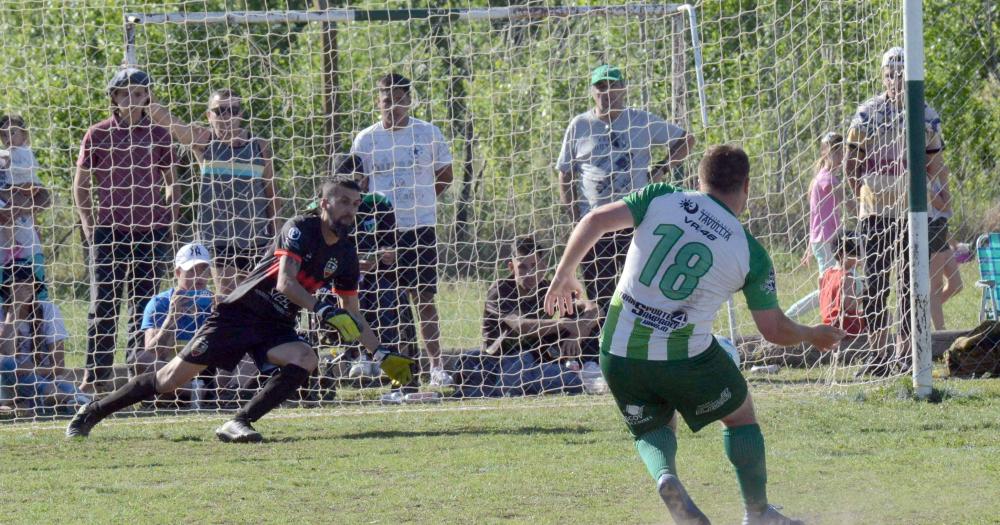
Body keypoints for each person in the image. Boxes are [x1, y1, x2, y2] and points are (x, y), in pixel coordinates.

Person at [544, 145, 845, 525]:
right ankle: (758, 513)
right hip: (683, 359)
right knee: (740, 415)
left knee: (652, 426)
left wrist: (564, 274)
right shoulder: (749, 251)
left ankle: (665, 476)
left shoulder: (661, 196)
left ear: (699, 180)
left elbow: (595, 219)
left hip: (617, 351)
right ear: (746, 186)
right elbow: (772, 330)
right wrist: (810, 333)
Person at [67, 178, 415, 443]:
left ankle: (239, 422)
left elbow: (351, 311)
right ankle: (93, 410)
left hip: (275, 325)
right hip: (240, 313)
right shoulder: (298, 229)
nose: (350, 210)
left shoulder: (348, 255)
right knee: (169, 380)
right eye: (342, 201)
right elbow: (285, 284)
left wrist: (380, 351)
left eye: (355, 204)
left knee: (306, 357)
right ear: (324, 203)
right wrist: (322, 307)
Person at [556, 64, 694, 316]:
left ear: (623, 89)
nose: (607, 92)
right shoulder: (580, 125)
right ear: (592, 92)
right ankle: (601, 349)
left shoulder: (640, 121)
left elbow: (686, 140)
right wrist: (573, 214)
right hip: (594, 224)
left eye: (613, 85)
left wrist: (661, 170)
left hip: (635, 220)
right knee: (601, 296)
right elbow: (565, 171)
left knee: (640, 291)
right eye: (600, 86)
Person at [73, 68, 179, 393]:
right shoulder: (98, 133)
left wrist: (168, 220)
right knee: (104, 304)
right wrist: (90, 226)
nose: (131, 99)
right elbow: (80, 185)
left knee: (143, 304)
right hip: (109, 231)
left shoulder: (160, 134)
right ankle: (96, 375)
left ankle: (138, 373)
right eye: (124, 93)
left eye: (138, 93)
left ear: (148, 97)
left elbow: (173, 181)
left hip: (150, 231)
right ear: (114, 98)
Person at [845, 47, 948, 375]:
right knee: (876, 282)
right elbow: (851, 163)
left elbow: (935, 163)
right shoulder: (867, 113)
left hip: (912, 213)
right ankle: (877, 353)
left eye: (902, 74)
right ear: (882, 76)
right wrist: (857, 197)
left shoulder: (926, 113)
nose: (896, 80)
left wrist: (942, 194)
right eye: (890, 74)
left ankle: (906, 354)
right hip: (875, 212)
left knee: (911, 282)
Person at [350, 73, 454, 386]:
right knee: (379, 298)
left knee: (423, 297)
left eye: (398, 100)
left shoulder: (428, 133)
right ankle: (371, 359)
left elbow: (445, 174)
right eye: (386, 101)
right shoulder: (366, 139)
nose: (392, 107)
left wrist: (419, 201)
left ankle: (436, 366)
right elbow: (360, 186)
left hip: (419, 227)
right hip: (381, 233)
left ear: (409, 100)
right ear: (377, 101)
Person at [148, 89, 280, 295]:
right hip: (218, 239)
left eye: (233, 110)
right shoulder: (204, 142)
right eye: (220, 111)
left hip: (257, 238)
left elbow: (271, 193)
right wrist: (145, 94)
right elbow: (169, 121)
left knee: (255, 301)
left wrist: (277, 235)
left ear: (241, 114)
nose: (227, 116)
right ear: (209, 116)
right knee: (228, 301)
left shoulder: (258, 146)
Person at [471, 234, 595, 397]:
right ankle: (579, 376)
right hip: (502, 362)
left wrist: (579, 333)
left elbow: (593, 307)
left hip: (535, 359)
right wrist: (564, 324)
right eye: (523, 267)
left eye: (535, 266)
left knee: (590, 332)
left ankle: (580, 373)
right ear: (511, 267)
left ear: (543, 266)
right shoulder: (500, 290)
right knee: (561, 378)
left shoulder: (548, 290)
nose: (530, 273)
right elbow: (521, 325)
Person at [0, 254, 86, 416]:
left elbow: (59, 366)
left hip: (45, 377)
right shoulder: (2, 313)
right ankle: (59, 397)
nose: (23, 288)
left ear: (35, 287)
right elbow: (6, 354)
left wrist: (33, 370)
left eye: (28, 284)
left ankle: (74, 401)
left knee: (63, 384)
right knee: (4, 362)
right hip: (10, 383)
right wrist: (14, 311)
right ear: (7, 289)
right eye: (17, 285)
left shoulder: (49, 310)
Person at [785, 132, 847, 320]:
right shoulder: (829, 180)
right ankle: (787, 317)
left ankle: (842, 321)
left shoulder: (820, 178)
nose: (843, 157)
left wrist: (811, 245)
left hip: (823, 241)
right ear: (829, 154)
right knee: (829, 288)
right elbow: (851, 206)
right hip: (828, 241)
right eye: (840, 153)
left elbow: (815, 217)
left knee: (843, 284)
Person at [136, 243, 215, 375]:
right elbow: (154, 352)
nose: (199, 276)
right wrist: (172, 318)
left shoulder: (214, 302)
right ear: (178, 273)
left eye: (204, 270)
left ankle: (222, 390)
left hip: (206, 368)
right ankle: (196, 390)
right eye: (191, 270)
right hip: (171, 370)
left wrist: (220, 317)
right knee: (143, 359)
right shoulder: (160, 303)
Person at [0, 114, 51, 302]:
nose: (7, 138)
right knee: (6, 302)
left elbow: (43, 197)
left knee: (36, 299)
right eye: (3, 135)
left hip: (29, 246)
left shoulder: (17, 155)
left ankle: (40, 329)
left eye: (12, 132)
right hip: (3, 251)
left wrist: (24, 203)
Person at [927, 168, 962, 330]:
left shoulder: (939, 174)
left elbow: (946, 210)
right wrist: (942, 175)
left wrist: (951, 240)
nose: (940, 157)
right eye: (936, 153)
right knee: (935, 286)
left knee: (956, 284)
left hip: (941, 229)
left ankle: (924, 310)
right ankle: (941, 332)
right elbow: (943, 205)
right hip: (930, 229)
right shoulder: (922, 177)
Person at [819, 234, 866, 336]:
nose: (858, 258)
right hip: (843, 326)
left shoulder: (827, 273)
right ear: (842, 255)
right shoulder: (847, 277)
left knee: (863, 312)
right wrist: (865, 293)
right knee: (885, 316)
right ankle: (872, 346)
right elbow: (850, 307)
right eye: (854, 255)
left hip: (827, 323)